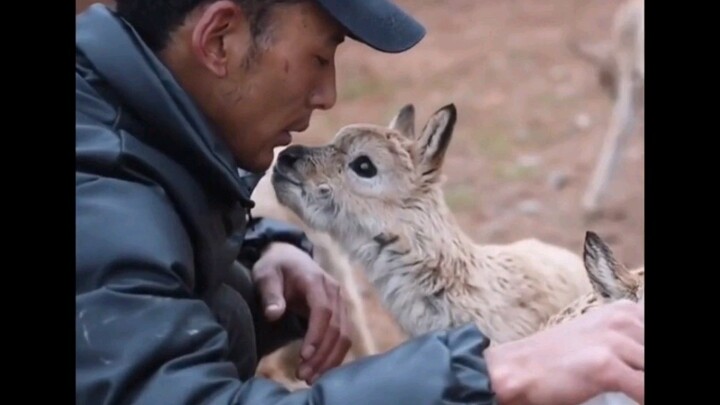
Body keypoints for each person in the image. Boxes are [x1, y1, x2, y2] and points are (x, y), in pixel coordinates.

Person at [75, 0, 645, 404]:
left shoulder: (127, 137)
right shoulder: (99, 197)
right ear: (220, 38)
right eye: (321, 58)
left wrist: (256, 251)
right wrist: (493, 372)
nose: (329, 96)